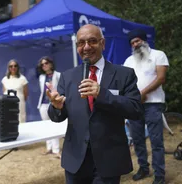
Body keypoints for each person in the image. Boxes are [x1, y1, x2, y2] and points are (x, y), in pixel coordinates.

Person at [46, 24, 144, 184]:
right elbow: (57, 117)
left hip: (109, 159)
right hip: (76, 159)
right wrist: (57, 107)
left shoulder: (124, 74)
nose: (86, 47)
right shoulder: (67, 76)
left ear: (103, 44)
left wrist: (102, 94)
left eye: (92, 41)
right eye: (81, 43)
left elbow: (136, 109)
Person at [123, 29, 168, 184]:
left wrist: (143, 93)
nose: (136, 44)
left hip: (153, 104)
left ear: (144, 40)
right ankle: (143, 168)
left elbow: (161, 78)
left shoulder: (158, 55)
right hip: (135, 105)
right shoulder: (129, 61)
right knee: (137, 140)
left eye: (137, 41)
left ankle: (160, 175)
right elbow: (125, 83)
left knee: (156, 141)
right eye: (132, 43)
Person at [37, 56, 61, 158]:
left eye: (46, 63)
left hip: (53, 103)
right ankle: (49, 148)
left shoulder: (58, 75)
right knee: (46, 127)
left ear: (51, 63)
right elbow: (42, 91)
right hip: (43, 104)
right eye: (42, 64)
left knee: (54, 125)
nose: (44, 65)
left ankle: (56, 149)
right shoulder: (41, 77)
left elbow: (60, 89)